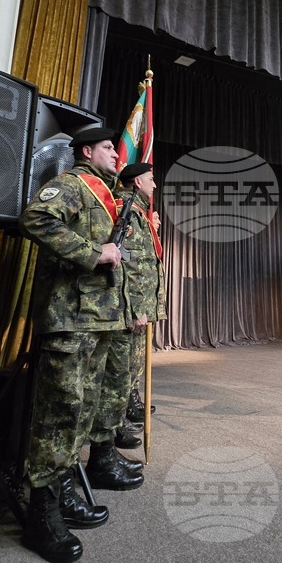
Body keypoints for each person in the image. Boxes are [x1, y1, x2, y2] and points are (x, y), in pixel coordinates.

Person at [18, 127, 141, 563]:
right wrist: (94, 253)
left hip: (100, 318)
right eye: (109, 147)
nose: (116, 153)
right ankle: (41, 513)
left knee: (83, 409)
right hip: (70, 318)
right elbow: (35, 218)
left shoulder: (107, 194)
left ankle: (63, 490)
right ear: (87, 151)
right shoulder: (71, 185)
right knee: (61, 412)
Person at [112, 162, 167, 436]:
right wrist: (136, 308)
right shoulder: (128, 213)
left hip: (137, 305)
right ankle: (115, 423)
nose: (154, 185)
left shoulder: (138, 213)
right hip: (131, 307)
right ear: (137, 182)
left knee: (131, 368)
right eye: (151, 179)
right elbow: (130, 264)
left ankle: (124, 412)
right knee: (124, 370)